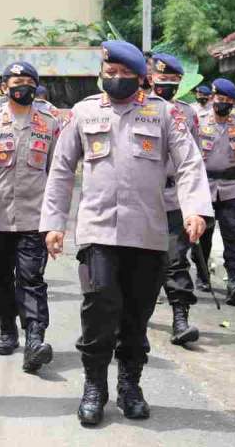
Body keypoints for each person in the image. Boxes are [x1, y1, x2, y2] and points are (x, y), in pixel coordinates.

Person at [40, 40, 212, 426]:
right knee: (99, 309)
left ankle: (130, 385)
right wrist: (54, 223)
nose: (115, 80)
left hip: (147, 234)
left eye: (124, 75)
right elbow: (62, 169)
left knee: (136, 316)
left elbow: (188, 164)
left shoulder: (164, 114)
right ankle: (94, 386)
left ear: (140, 79)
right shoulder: (83, 113)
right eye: (109, 73)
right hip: (98, 232)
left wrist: (195, 208)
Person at [0, 62, 60, 373]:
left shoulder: (50, 124)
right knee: (1, 280)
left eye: (29, 81)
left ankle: (35, 338)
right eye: (17, 81)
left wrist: (56, 221)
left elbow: (58, 174)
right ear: (4, 86)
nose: (22, 86)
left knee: (31, 279)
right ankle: (7, 328)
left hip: (34, 217)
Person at [150, 53, 205, 345]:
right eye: (162, 80)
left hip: (174, 198)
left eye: (172, 81)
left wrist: (195, 205)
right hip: (143, 198)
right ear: (150, 80)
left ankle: (180, 318)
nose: (166, 86)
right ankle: (135, 313)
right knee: (142, 262)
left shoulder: (188, 114)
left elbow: (193, 162)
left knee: (175, 260)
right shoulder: (139, 108)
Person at [198, 78, 235, 307]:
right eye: (219, 99)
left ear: (232, 103)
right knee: (203, 235)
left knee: (233, 234)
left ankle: (234, 281)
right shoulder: (199, 121)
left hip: (231, 189)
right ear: (213, 98)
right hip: (204, 188)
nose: (222, 104)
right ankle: (203, 276)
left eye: (227, 101)